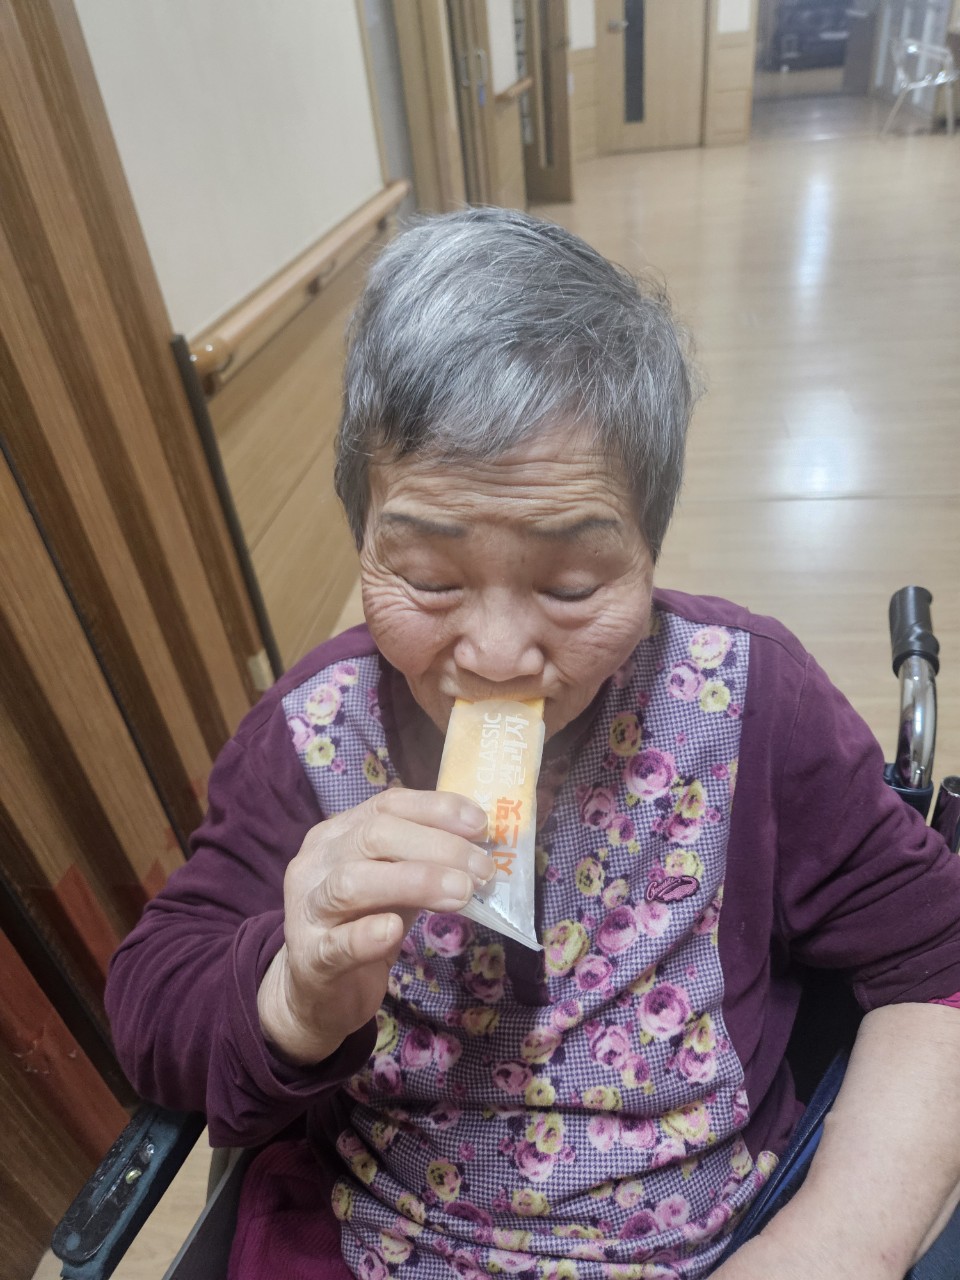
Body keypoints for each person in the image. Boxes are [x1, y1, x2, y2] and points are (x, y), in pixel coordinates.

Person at [105, 208, 960, 1280]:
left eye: (570, 585)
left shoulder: (751, 700)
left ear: (649, 547)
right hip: (384, 1232)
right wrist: (291, 991)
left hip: (712, 1238)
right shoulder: (313, 734)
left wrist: (825, 1248)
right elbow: (151, 998)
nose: (499, 654)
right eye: (430, 578)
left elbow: (937, 956)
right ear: (363, 534)